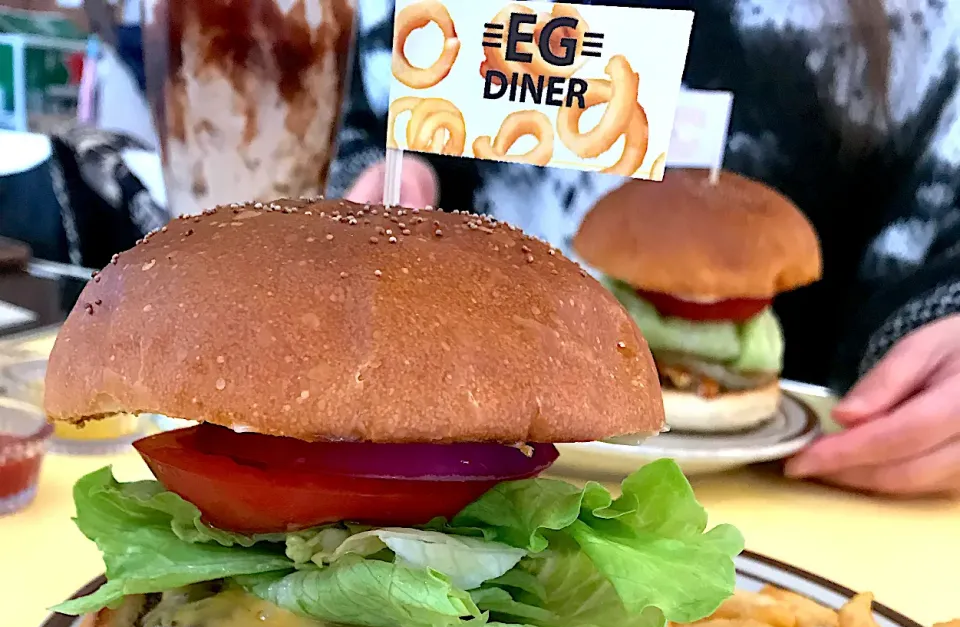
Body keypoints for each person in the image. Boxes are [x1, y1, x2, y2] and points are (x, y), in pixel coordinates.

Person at [328, 0, 960, 497]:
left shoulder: (921, 23)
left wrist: (943, 316)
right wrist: (367, 180)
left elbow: (942, 216)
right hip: (420, 445)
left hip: (775, 482)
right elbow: (346, 110)